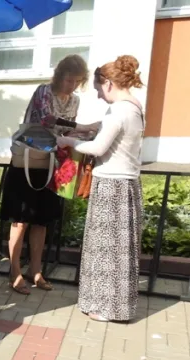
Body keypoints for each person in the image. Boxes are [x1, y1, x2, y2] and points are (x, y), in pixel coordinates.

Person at [57, 56, 145, 323]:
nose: (97, 94)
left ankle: (108, 308)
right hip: (126, 183)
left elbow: (97, 149)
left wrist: (68, 140)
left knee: (108, 250)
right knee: (118, 249)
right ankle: (112, 305)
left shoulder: (119, 110)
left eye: (97, 88)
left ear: (108, 83)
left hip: (112, 186)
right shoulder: (135, 107)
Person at [0, 54, 93, 295]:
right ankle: (15, 271)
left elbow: (63, 130)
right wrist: (81, 128)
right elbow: (46, 120)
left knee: (42, 220)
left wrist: (81, 136)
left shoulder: (75, 100)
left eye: (77, 81)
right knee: (21, 219)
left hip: (52, 163)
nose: (72, 85)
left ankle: (36, 270)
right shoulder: (44, 91)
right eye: (69, 80)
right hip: (28, 162)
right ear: (60, 76)